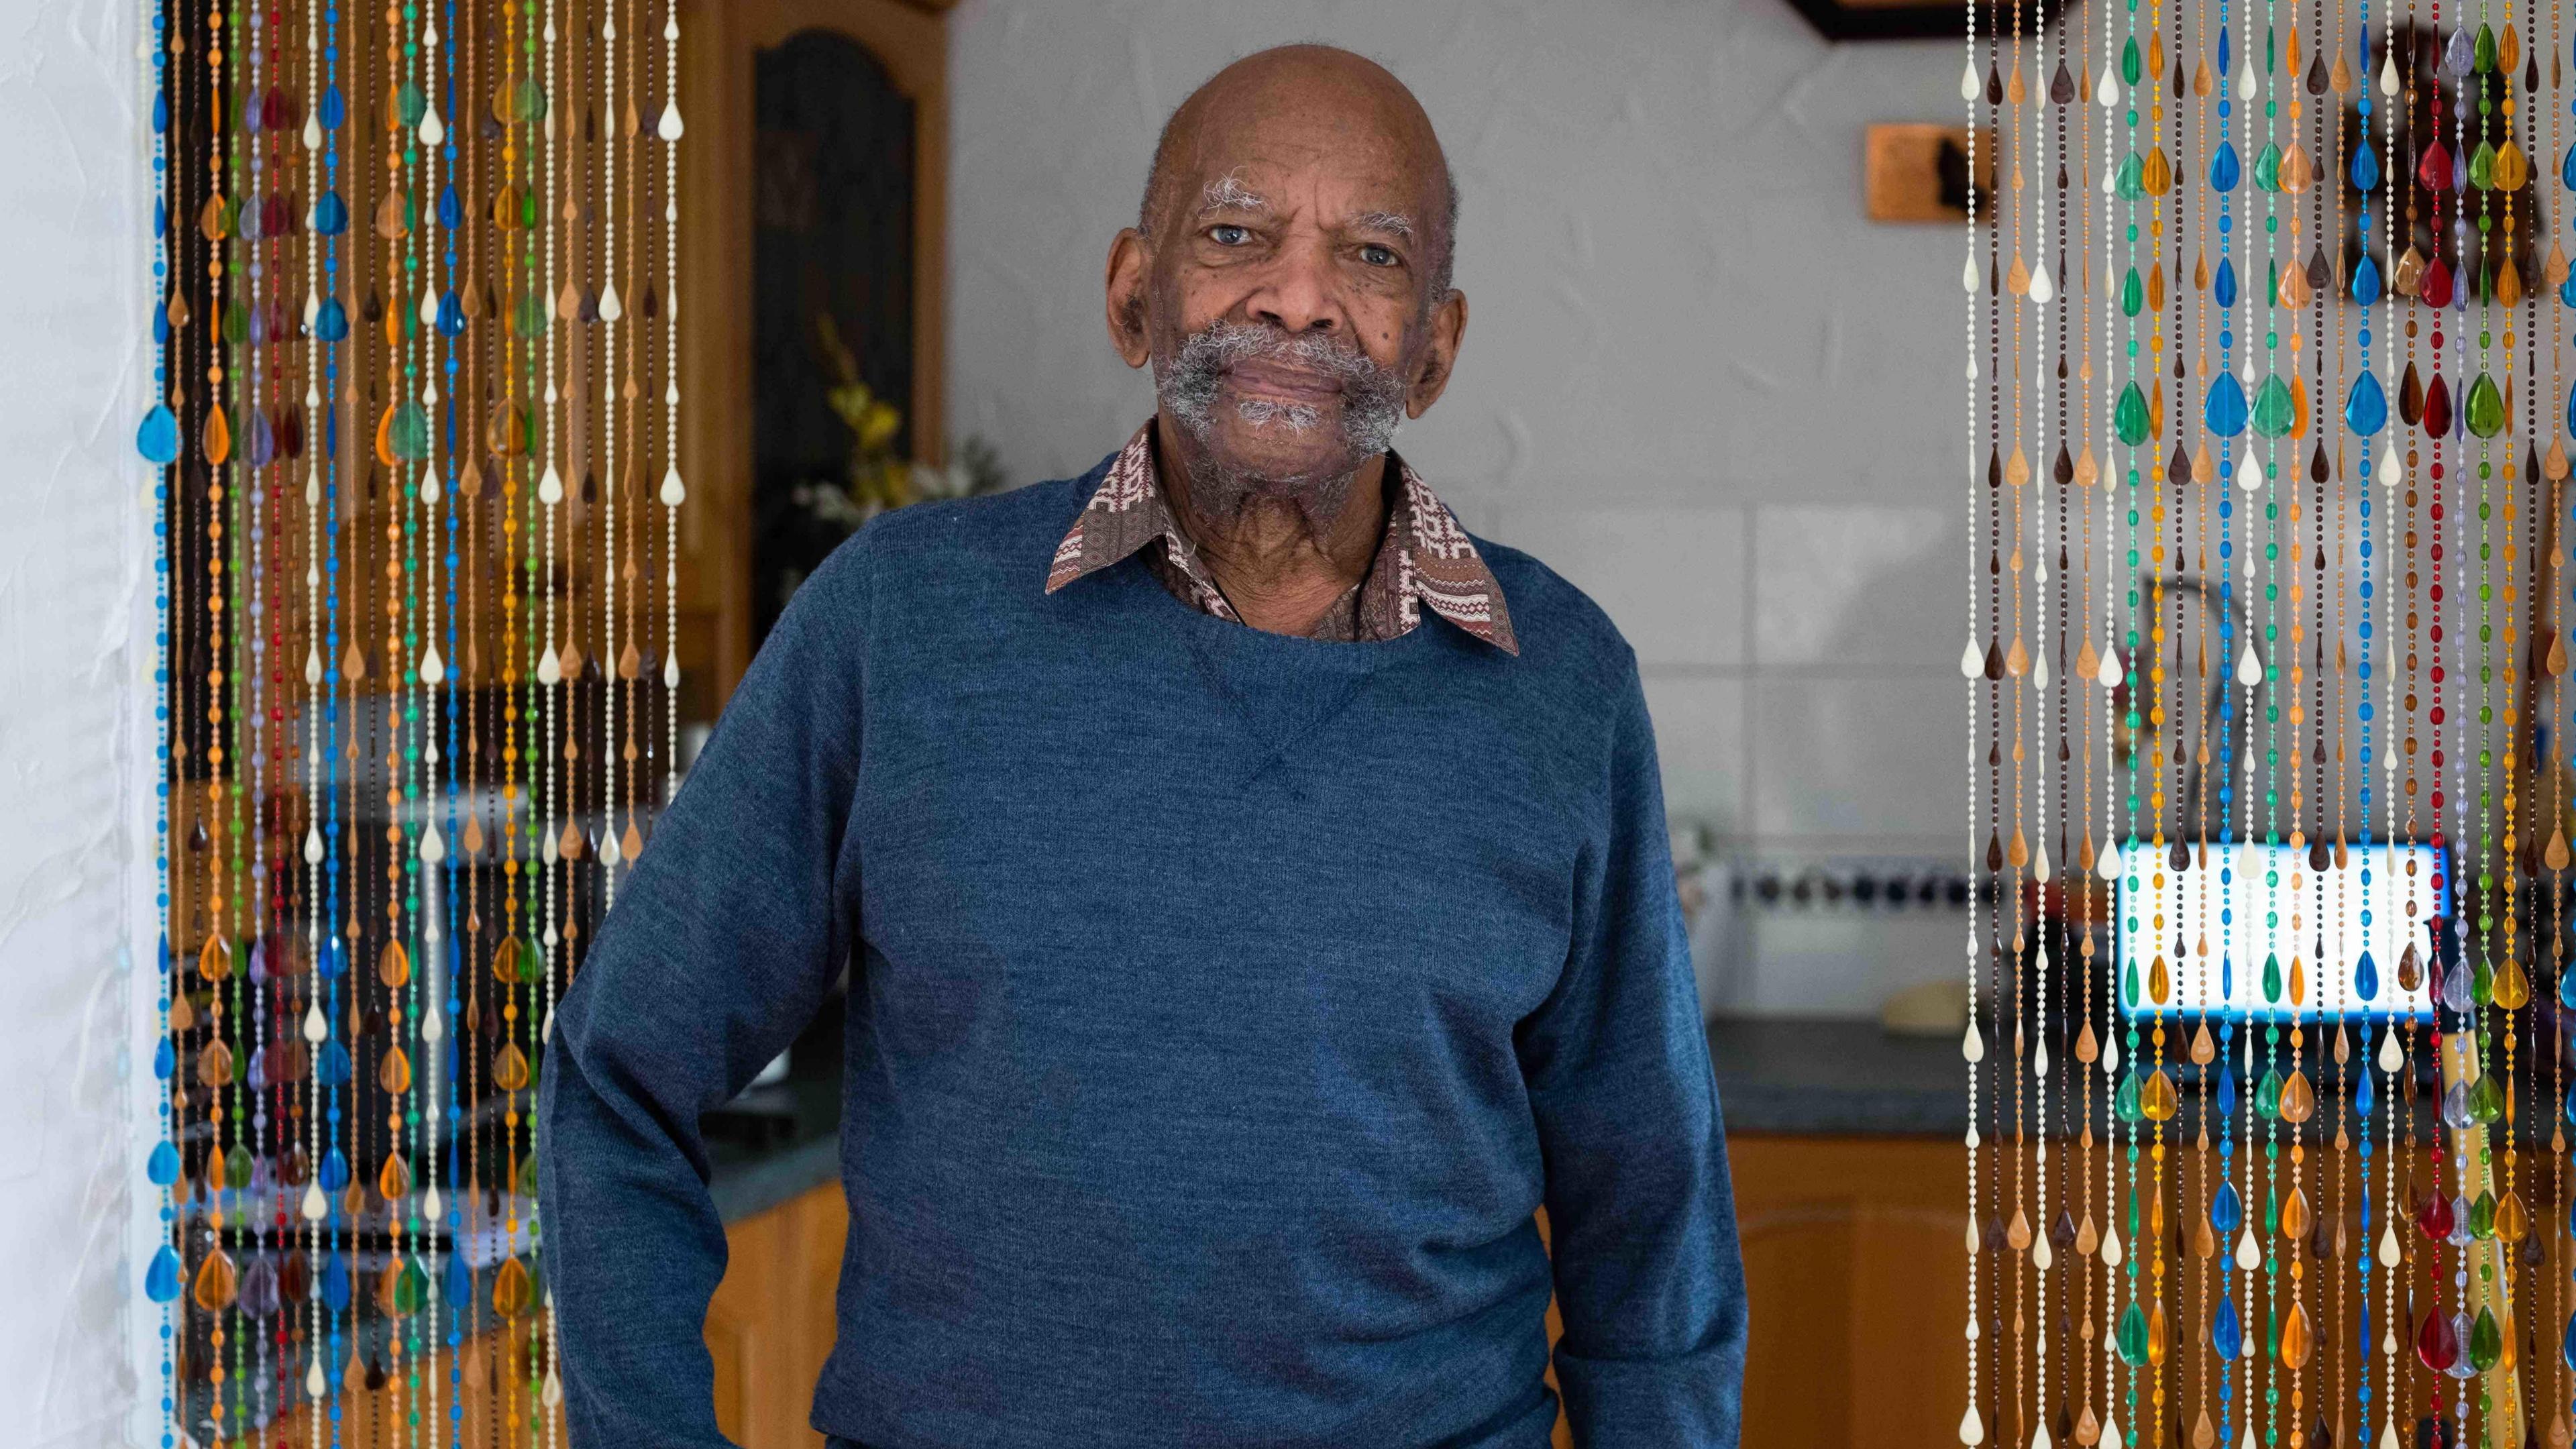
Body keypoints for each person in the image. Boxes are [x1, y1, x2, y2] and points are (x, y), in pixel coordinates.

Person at [539, 42, 1748, 1449]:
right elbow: (621, 1072)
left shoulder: (1563, 680)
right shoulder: (899, 622)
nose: (1299, 297)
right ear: (1134, 292)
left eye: (1371, 254)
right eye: (1237, 235)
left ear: (1434, 342)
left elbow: (1651, 1225)